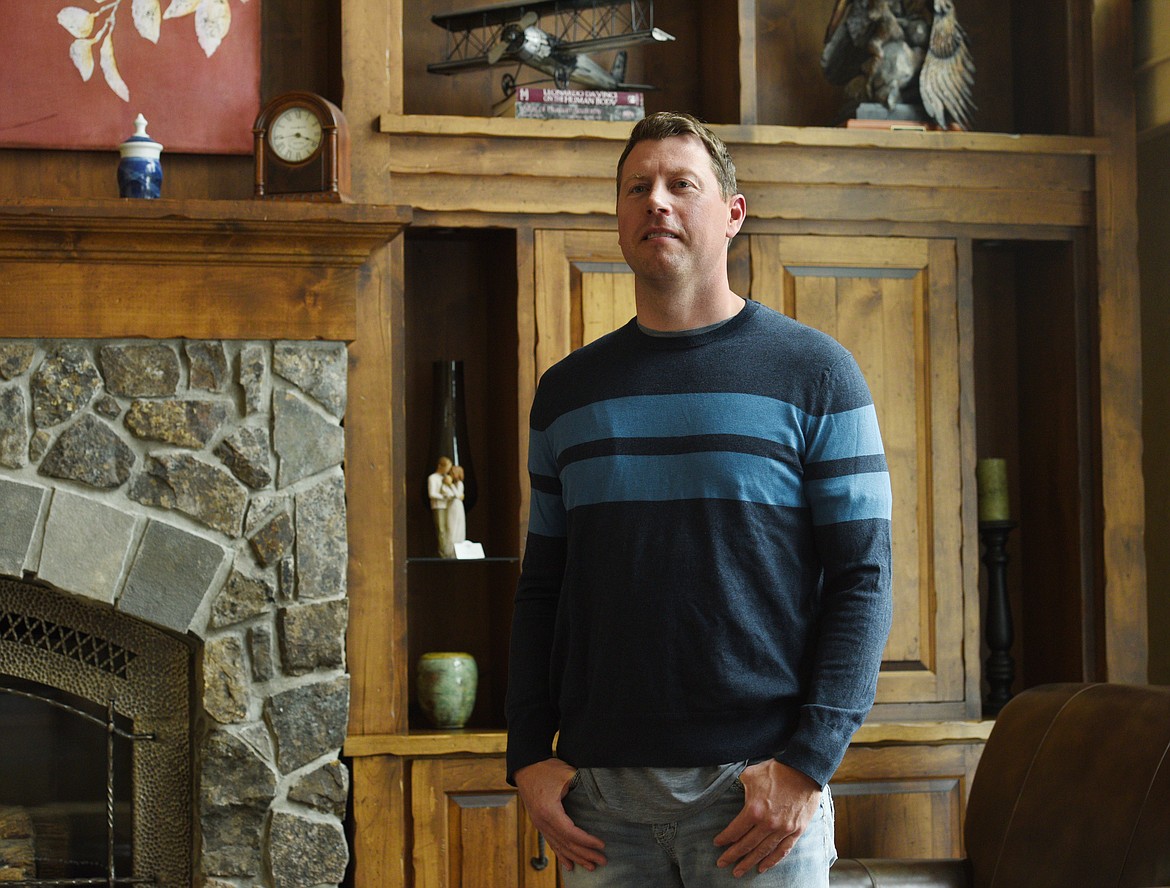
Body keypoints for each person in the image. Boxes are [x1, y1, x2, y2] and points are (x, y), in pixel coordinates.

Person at [505, 111, 893, 886]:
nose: (657, 201)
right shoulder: (567, 395)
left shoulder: (818, 374)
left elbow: (864, 579)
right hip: (601, 805)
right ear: (618, 220)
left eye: (683, 184)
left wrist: (807, 765)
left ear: (733, 215)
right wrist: (525, 756)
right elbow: (544, 588)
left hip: (757, 799)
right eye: (637, 187)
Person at [427, 455, 455, 558]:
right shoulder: (432, 478)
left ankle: (449, 550)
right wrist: (443, 496)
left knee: (449, 528)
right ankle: (443, 552)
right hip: (439, 506)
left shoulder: (445, 477)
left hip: (448, 505)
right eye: (447, 467)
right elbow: (432, 493)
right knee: (441, 529)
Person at [443, 464, 467, 549]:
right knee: (450, 525)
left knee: (457, 526)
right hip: (451, 505)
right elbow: (448, 494)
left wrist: (451, 485)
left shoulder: (459, 484)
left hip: (456, 505)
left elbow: (457, 495)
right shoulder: (451, 484)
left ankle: (456, 547)